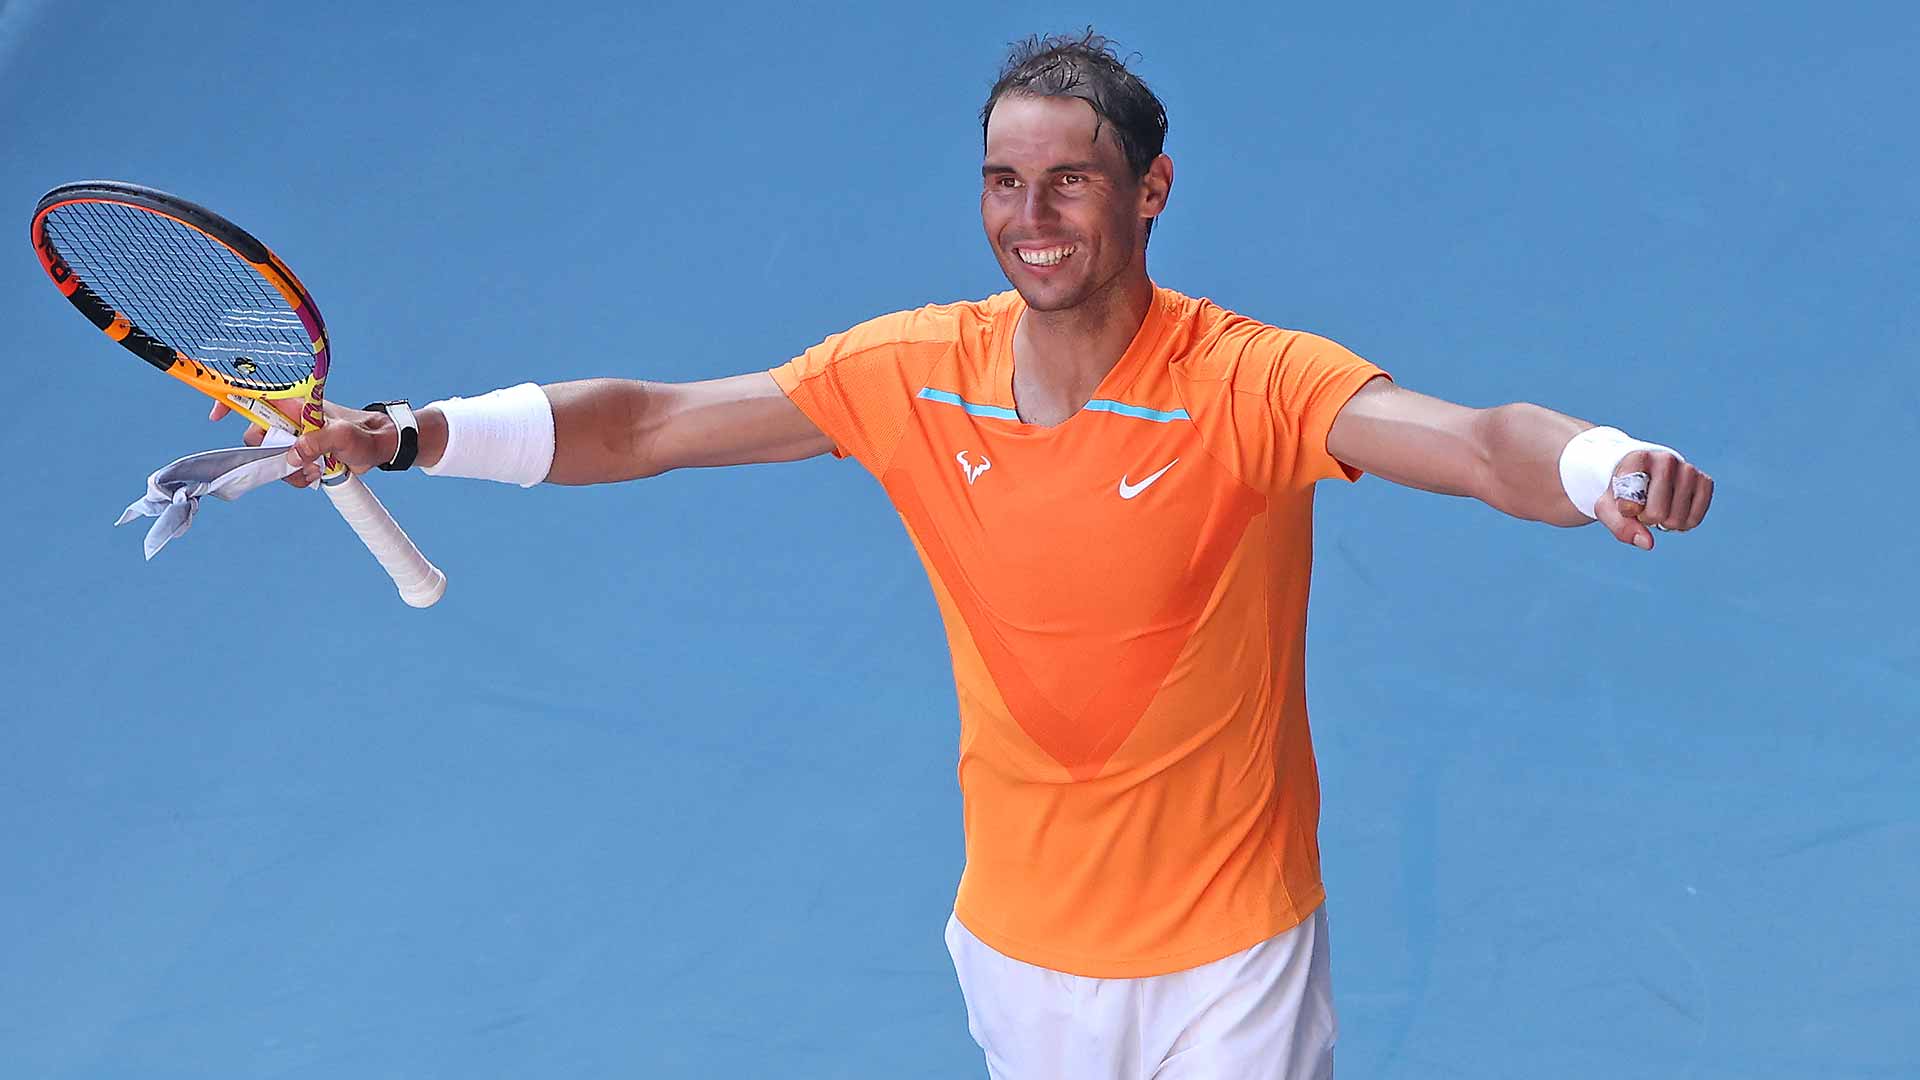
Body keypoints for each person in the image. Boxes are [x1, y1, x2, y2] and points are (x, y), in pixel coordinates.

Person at [233, 30, 1714, 1080]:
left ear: (1151, 190)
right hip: (1021, 953)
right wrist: (409, 430)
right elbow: (652, 422)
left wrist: (1597, 467)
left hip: (1233, 960)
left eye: (1071, 180)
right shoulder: (907, 371)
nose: (1033, 218)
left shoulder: (1255, 383)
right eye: (1006, 183)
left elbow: (1471, 443)